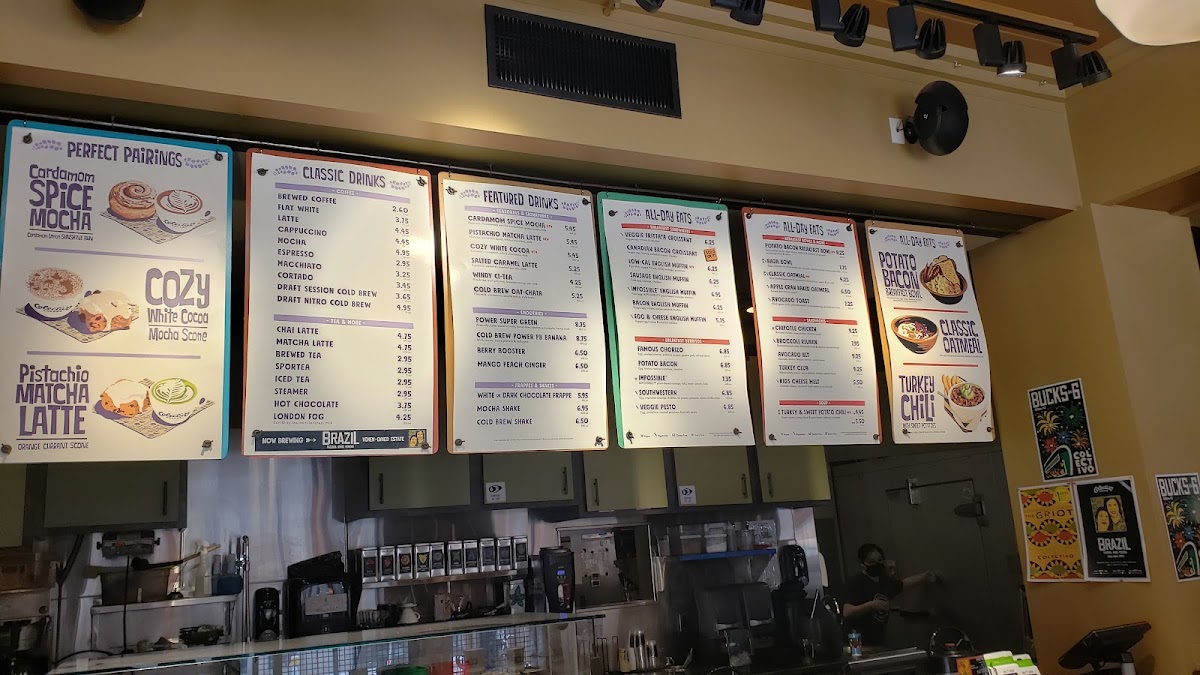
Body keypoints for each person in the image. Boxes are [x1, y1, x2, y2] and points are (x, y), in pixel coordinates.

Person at [841, 543, 939, 647]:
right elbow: (847, 612)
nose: (876, 564)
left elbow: (902, 585)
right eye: (871, 562)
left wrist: (924, 576)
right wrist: (872, 605)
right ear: (862, 564)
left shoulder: (883, 581)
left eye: (879, 561)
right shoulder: (856, 582)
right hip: (856, 642)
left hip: (877, 641)